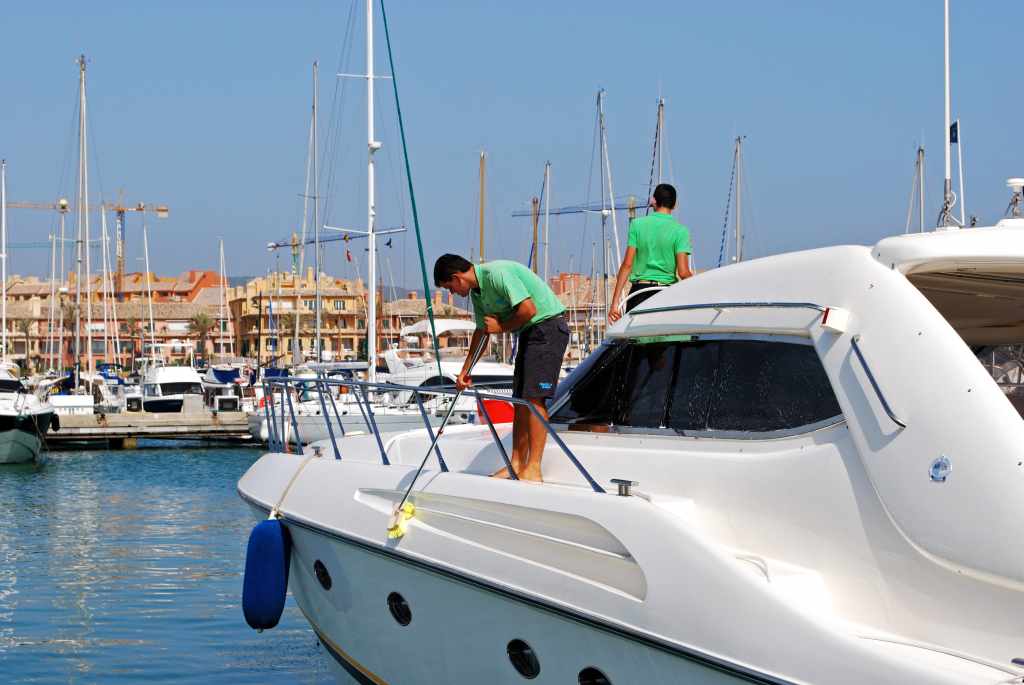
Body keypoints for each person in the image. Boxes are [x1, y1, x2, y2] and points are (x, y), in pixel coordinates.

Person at [434, 254, 569, 482]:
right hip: (528, 332)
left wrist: (502, 326)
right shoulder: (478, 294)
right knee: (520, 400)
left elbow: (529, 309)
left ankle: (533, 468)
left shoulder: (497, 274)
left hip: (548, 327)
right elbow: (482, 332)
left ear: (457, 278)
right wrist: (465, 371)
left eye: (450, 287)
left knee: (535, 398)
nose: (453, 293)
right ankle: (516, 464)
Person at [608, 183, 693, 323]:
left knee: (636, 341)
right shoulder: (680, 231)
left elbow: (627, 265)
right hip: (665, 295)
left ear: (653, 201)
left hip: (638, 293)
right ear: (675, 204)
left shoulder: (637, 225)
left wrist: (615, 303)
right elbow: (683, 272)